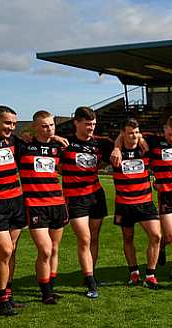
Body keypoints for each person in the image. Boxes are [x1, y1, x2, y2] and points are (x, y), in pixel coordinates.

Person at [62, 106, 113, 299]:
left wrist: (115, 149)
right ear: (76, 122)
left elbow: (116, 145)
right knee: (84, 238)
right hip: (75, 197)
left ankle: (90, 274)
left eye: (93, 124)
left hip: (95, 195)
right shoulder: (65, 143)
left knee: (94, 237)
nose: (91, 127)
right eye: (87, 124)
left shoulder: (100, 143)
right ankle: (91, 282)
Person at [18, 111, 68, 305]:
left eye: (52, 125)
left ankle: (50, 288)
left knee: (54, 249)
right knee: (45, 250)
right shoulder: (23, 146)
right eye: (45, 126)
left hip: (57, 203)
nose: (49, 129)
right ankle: (45, 292)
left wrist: (54, 137)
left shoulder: (58, 147)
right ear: (35, 127)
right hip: (35, 205)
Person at [0, 106, 27, 316]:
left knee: (13, 250)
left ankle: (8, 295)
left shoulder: (13, 141)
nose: (11, 128)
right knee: (5, 251)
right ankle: (1, 300)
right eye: (7, 123)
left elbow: (38, 141)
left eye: (14, 124)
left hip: (16, 202)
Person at [140, 116, 172, 281]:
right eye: (170, 135)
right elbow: (134, 135)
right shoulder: (154, 141)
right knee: (170, 235)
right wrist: (141, 139)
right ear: (164, 129)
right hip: (166, 194)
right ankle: (162, 246)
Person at [110, 119, 162, 289]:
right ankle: (134, 273)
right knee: (128, 238)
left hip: (145, 202)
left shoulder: (146, 147)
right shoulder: (114, 151)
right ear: (123, 133)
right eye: (130, 132)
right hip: (124, 204)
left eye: (137, 132)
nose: (134, 136)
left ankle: (150, 275)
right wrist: (117, 147)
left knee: (156, 236)